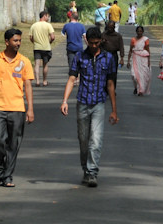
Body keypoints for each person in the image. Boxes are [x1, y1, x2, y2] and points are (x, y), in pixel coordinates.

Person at [60, 26, 118, 188]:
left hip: (99, 103)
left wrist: (114, 110)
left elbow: (110, 84)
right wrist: (65, 101)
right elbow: (72, 79)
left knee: (96, 141)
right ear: (86, 41)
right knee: (84, 140)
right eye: (91, 43)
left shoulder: (108, 58)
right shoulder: (80, 57)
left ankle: (92, 172)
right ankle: (86, 170)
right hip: (83, 103)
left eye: (96, 43)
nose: (93, 46)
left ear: (101, 41)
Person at [0, 28, 35, 187]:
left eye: (19, 40)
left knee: (13, 144)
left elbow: (28, 86)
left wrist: (30, 109)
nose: (18, 43)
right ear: (7, 42)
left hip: (17, 108)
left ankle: (7, 176)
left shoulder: (24, 61)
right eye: (15, 40)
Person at [28, 10, 56, 86]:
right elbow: (52, 37)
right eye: (47, 16)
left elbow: (31, 37)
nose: (48, 18)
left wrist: (34, 42)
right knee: (45, 64)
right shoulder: (48, 25)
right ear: (44, 16)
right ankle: (44, 81)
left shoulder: (34, 25)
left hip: (37, 48)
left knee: (37, 64)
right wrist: (49, 42)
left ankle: (37, 81)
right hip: (46, 48)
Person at [100, 20, 125, 88]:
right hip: (104, 56)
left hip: (113, 56)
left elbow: (121, 47)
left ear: (114, 27)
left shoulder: (118, 36)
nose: (110, 29)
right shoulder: (103, 35)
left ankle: (112, 88)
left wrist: (122, 58)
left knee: (113, 73)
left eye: (111, 27)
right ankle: (105, 88)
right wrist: (102, 42)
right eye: (109, 27)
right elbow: (98, 45)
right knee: (104, 72)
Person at [129, 25, 151, 95]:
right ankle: (136, 87)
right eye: (138, 31)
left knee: (143, 75)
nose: (139, 33)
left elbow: (147, 50)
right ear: (136, 32)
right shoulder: (133, 39)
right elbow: (130, 50)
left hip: (143, 58)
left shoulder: (145, 39)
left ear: (143, 32)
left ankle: (141, 90)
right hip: (135, 58)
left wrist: (149, 60)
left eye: (141, 31)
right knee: (134, 75)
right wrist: (128, 61)